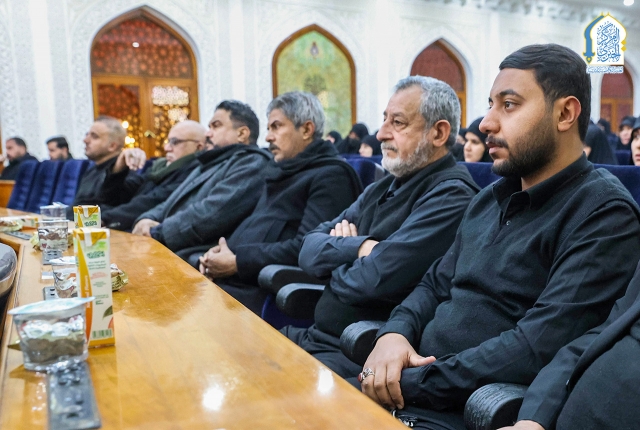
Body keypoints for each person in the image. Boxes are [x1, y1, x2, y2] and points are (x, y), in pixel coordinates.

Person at [357, 44, 640, 429]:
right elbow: (433, 285)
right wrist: (392, 334)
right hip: (409, 390)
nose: (486, 123)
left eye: (508, 105)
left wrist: (410, 381)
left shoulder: (604, 213)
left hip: (460, 411)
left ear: (565, 114)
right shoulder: (489, 198)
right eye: (491, 105)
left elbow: (536, 346)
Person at [281, 76, 479, 378]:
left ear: (438, 133)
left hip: (357, 355)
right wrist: (360, 247)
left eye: (397, 122)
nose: (381, 133)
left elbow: (373, 280)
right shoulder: (382, 186)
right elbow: (307, 249)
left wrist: (333, 264)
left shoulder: (452, 196)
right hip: (315, 338)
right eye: (384, 120)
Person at [198, 91, 362, 314]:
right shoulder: (281, 171)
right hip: (241, 281)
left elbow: (308, 247)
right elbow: (256, 228)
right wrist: (221, 252)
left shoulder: (331, 176)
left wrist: (238, 262)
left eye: (276, 127)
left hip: (270, 292)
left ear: (306, 129)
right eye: (268, 128)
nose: (267, 137)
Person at [132, 100, 270, 258]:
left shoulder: (252, 162)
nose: (208, 134)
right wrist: (146, 219)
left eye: (216, 126)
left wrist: (157, 233)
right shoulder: (211, 162)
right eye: (209, 127)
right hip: (173, 247)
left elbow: (212, 212)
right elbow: (170, 202)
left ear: (242, 134)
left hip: (199, 256)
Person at [100, 121, 206, 231]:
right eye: (168, 141)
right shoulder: (160, 167)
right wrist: (118, 168)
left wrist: (103, 219)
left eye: (175, 142)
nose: (167, 148)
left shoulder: (195, 171)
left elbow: (150, 202)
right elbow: (114, 197)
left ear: (199, 147)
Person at [66, 116, 136, 219]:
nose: (85, 140)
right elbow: (78, 205)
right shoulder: (92, 169)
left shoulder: (121, 174)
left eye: (94, 136)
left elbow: (103, 211)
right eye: (87, 135)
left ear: (112, 146)